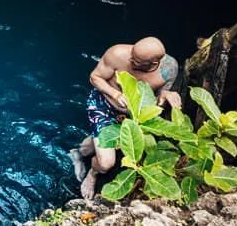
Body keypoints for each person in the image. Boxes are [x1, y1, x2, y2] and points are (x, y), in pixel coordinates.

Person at [69, 36, 182, 199]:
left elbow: (159, 96)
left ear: (153, 64)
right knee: (106, 162)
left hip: (133, 117)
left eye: (136, 61)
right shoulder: (117, 54)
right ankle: (93, 174)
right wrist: (115, 93)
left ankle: (78, 153)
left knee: (92, 145)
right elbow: (94, 77)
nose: (131, 60)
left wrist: (166, 94)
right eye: (132, 55)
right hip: (104, 105)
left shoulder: (169, 69)